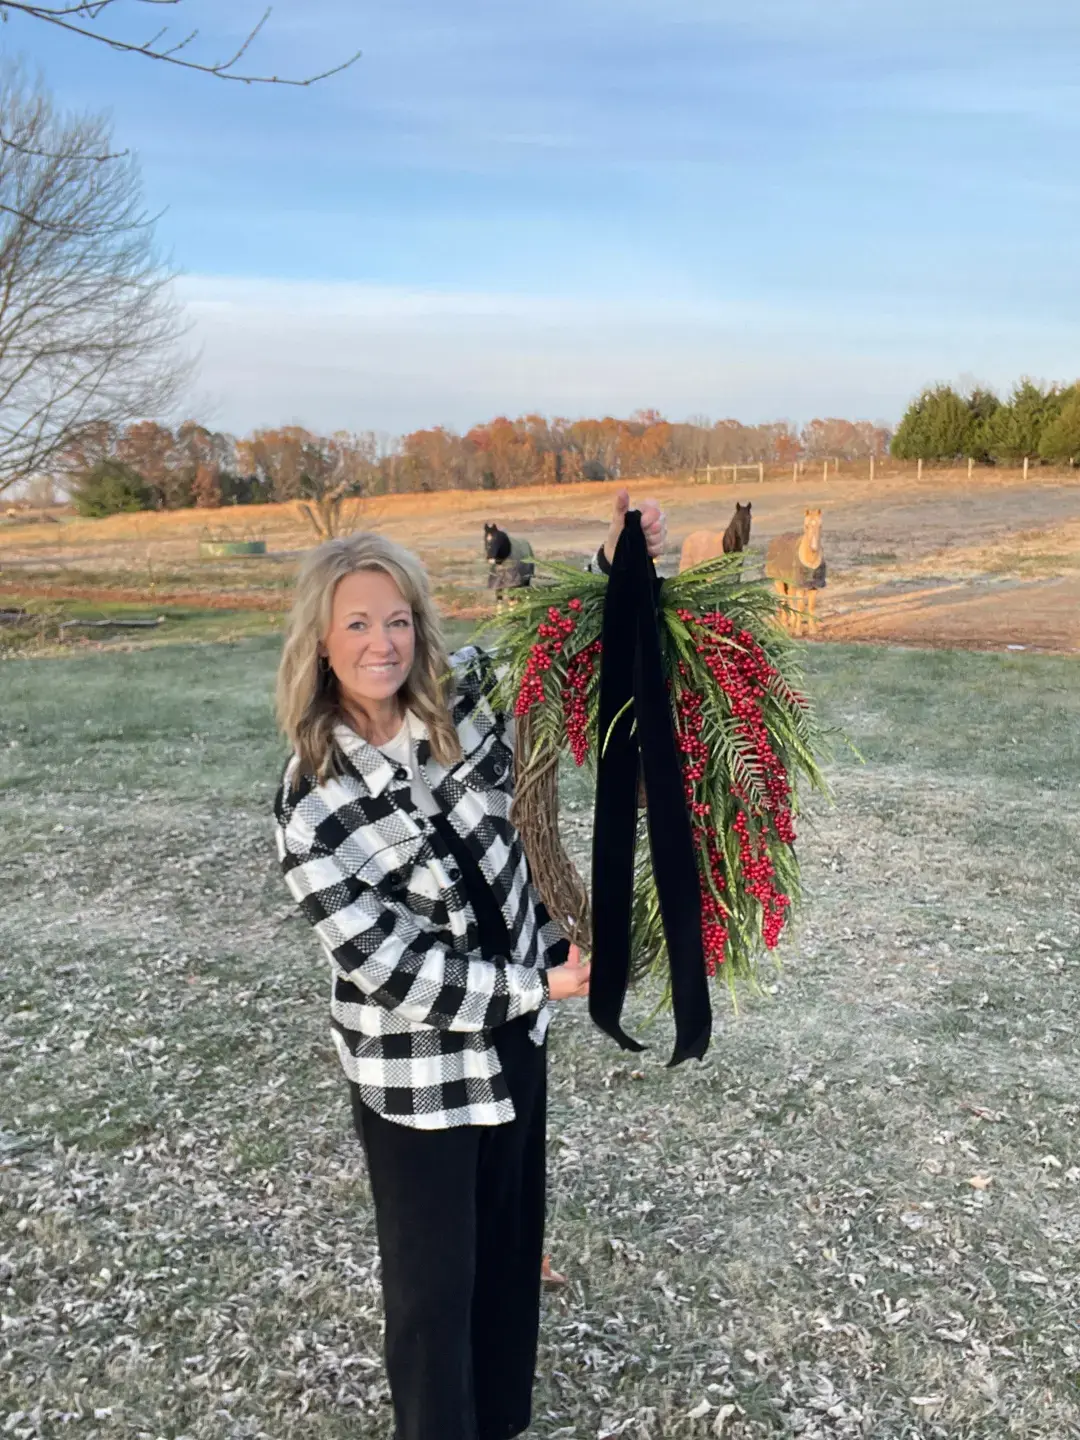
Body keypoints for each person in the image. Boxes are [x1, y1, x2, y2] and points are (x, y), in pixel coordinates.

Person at [273, 490, 667, 1440]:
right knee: (433, 1290)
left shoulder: (457, 704)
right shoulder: (312, 805)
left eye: (399, 619)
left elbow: (555, 651)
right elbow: (395, 972)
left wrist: (620, 565)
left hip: (514, 1049)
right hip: (419, 1081)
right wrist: (542, 983)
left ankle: (500, 1420)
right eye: (358, 623)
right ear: (321, 645)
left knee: (505, 1255)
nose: (384, 642)